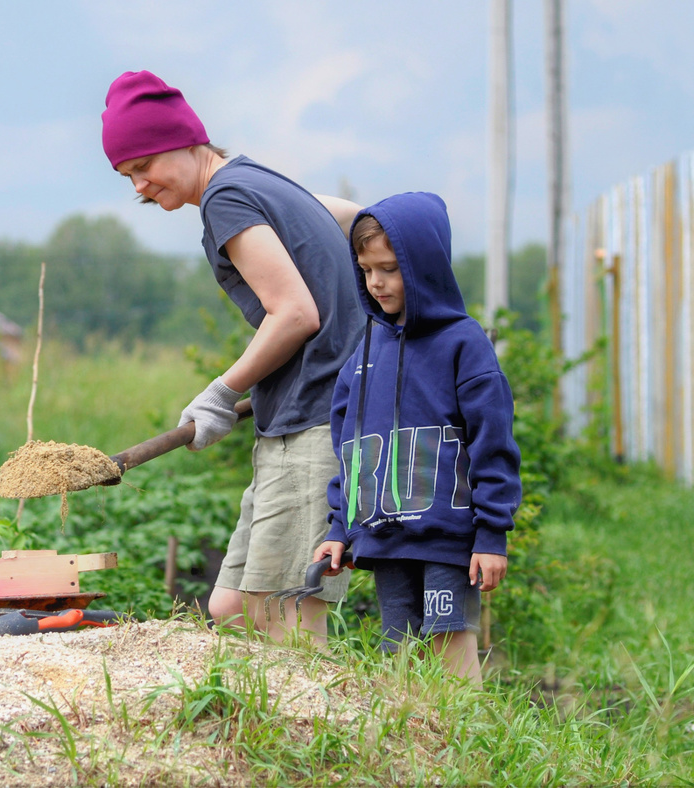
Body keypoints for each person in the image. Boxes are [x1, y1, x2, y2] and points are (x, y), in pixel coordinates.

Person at [101, 70, 364, 644]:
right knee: (232, 607)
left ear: (187, 141)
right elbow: (349, 215)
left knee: (287, 615)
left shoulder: (225, 197)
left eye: (144, 166)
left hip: (318, 421)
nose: (140, 186)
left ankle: (319, 730)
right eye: (128, 177)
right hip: (295, 417)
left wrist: (222, 392)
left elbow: (294, 313)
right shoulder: (255, 181)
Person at [312, 192, 522, 684]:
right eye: (365, 270)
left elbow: (493, 446)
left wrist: (491, 534)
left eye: (388, 268)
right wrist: (339, 529)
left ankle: (473, 753)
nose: (375, 282)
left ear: (424, 265)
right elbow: (348, 453)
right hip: (384, 538)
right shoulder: (365, 351)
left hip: (447, 538)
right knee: (399, 660)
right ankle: (414, 755)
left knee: (450, 649)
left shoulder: (464, 344)